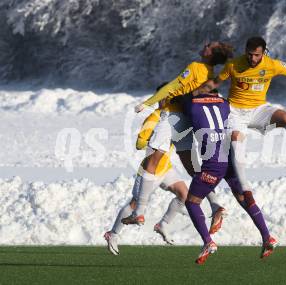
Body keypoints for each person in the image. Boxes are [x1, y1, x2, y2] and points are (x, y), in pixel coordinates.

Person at [192, 36, 286, 193]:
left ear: (263, 53)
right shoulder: (234, 65)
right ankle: (245, 188)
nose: (252, 58)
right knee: (236, 140)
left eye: (257, 55)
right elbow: (216, 82)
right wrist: (198, 91)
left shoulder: (272, 65)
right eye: (250, 54)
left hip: (259, 110)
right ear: (246, 52)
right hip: (235, 112)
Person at [121, 42, 234, 235]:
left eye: (209, 46)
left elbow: (173, 85)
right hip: (188, 120)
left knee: (153, 159)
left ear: (210, 55)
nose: (205, 45)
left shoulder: (196, 67)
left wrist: (149, 103)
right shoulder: (211, 76)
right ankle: (216, 205)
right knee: (193, 168)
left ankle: (139, 211)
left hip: (172, 117)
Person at [173, 91, 276, 264]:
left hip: (213, 165)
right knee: (243, 198)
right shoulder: (223, 103)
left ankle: (208, 242)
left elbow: (181, 111)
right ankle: (267, 237)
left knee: (192, 202)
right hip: (230, 159)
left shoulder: (190, 105)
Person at [104, 107, 187, 255]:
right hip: (149, 170)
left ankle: (163, 225)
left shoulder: (175, 116)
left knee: (184, 194)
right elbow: (139, 143)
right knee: (135, 204)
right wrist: (149, 138)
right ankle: (113, 234)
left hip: (166, 168)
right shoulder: (154, 118)